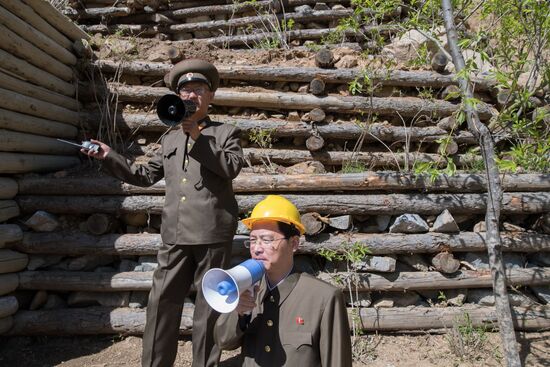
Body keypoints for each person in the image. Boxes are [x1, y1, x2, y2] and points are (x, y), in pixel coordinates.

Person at [82, 59, 245, 367]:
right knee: (160, 306)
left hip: (212, 235)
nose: (190, 96)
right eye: (184, 91)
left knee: (208, 309)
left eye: (198, 90)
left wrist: (198, 135)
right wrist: (108, 156)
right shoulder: (169, 138)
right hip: (174, 235)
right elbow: (143, 175)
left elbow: (230, 168)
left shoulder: (226, 133)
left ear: (210, 96)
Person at [214, 195, 352, 366]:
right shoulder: (247, 288)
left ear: (294, 243)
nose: (257, 248)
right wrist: (238, 314)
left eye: (266, 240)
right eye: (252, 240)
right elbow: (223, 342)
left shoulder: (324, 298)